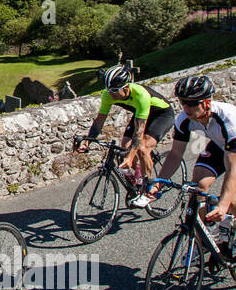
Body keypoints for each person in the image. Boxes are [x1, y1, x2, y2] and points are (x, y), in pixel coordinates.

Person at [151, 75, 236, 274]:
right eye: (183, 103)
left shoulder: (228, 120)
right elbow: (175, 155)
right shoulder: (184, 120)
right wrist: (158, 185)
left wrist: (223, 205)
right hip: (220, 145)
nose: (186, 108)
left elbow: (233, 169)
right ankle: (210, 235)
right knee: (197, 187)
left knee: (235, 202)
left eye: (192, 103)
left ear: (206, 102)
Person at [74, 64, 175, 208]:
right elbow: (100, 121)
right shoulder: (108, 95)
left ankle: (149, 190)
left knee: (142, 148)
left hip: (161, 115)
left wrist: (131, 155)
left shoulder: (141, 95)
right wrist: (88, 141)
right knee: (124, 148)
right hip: (140, 114)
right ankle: (138, 176)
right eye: (108, 90)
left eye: (115, 90)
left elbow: (138, 134)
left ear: (126, 87)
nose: (111, 94)